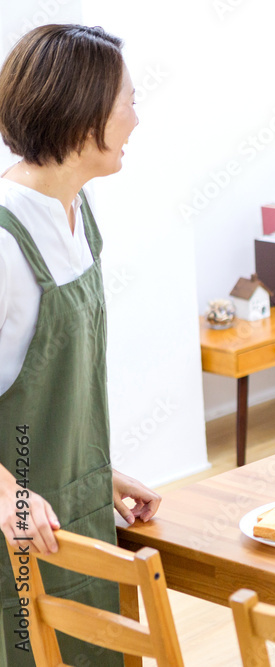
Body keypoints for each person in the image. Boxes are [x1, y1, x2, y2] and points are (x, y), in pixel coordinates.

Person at [0, 24, 161, 666]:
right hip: (20, 528)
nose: (136, 119)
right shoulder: (6, 239)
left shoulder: (76, 212)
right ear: (83, 114)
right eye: (128, 101)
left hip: (74, 511)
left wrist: (96, 474)